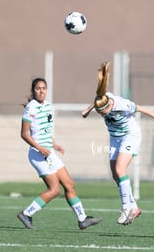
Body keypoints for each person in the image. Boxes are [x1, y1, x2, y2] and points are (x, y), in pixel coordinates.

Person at [82, 62, 154, 225]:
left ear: (110, 105)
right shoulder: (101, 99)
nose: (102, 115)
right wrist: (88, 109)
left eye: (103, 112)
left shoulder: (121, 104)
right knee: (115, 174)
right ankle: (134, 206)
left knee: (120, 170)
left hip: (130, 136)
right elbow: (97, 99)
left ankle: (127, 207)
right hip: (115, 137)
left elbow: (139, 108)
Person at [16, 77, 102, 230]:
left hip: (48, 153)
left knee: (69, 184)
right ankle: (26, 214)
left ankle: (82, 219)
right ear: (33, 91)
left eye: (44, 88)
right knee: (55, 190)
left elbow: (45, 130)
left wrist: (54, 144)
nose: (41, 91)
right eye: (38, 88)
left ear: (47, 90)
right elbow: (24, 134)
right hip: (37, 154)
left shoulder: (48, 106)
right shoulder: (31, 107)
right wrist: (39, 147)